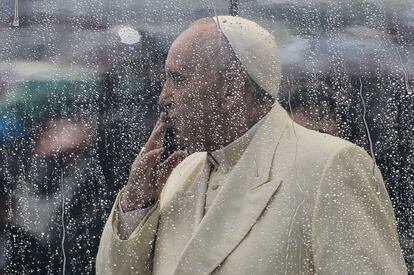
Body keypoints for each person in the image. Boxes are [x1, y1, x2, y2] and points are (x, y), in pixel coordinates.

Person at [96, 16, 407, 274]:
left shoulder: (331, 165)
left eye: (178, 79)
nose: (163, 97)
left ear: (231, 90)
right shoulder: (179, 173)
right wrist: (135, 205)